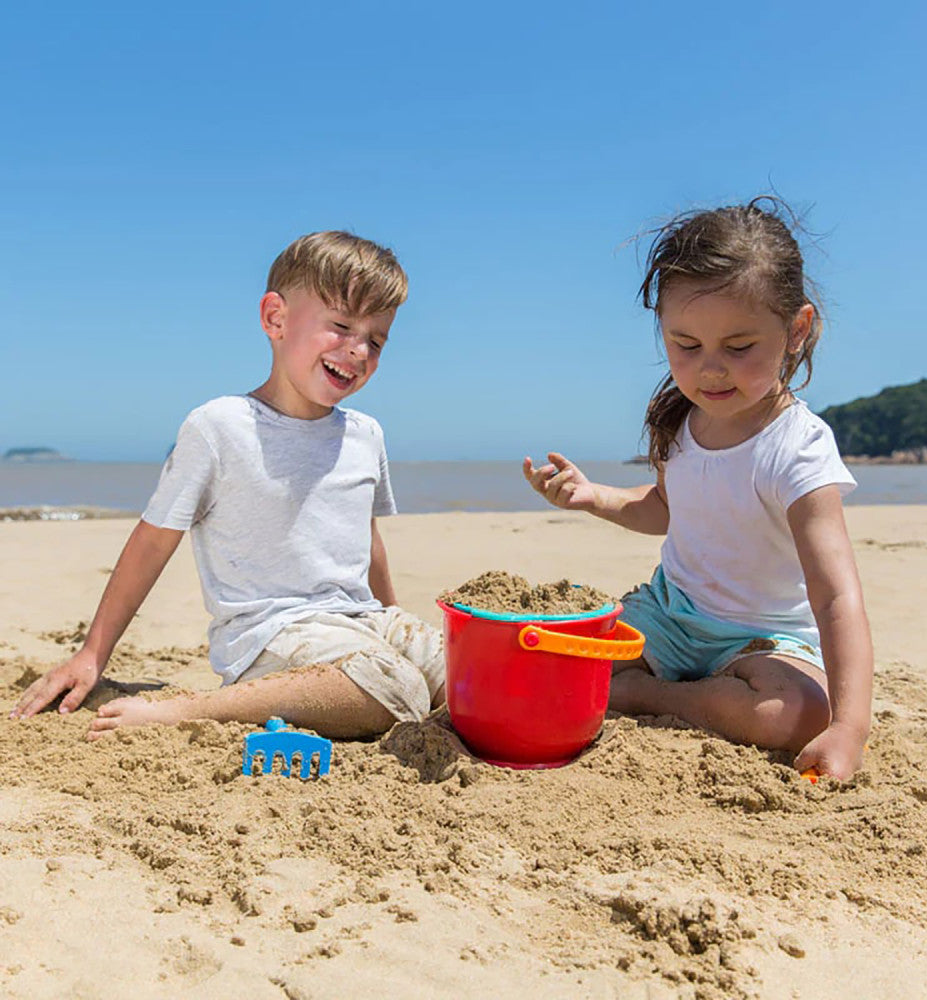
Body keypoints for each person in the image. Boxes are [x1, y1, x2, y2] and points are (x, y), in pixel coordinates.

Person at [10, 231, 444, 740]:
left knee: (469, 671)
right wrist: (91, 654)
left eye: (376, 339)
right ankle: (192, 709)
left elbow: (367, 542)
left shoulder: (366, 435)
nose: (358, 350)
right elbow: (153, 541)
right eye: (341, 326)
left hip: (364, 622)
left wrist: (393, 623)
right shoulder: (219, 427)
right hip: (273, 639)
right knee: (397, 689)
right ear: (275, 319)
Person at [524, 198, 872, 780]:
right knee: (561, 665)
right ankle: (680, 689)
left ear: (796, 330)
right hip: (670, 616)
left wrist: (849, 729)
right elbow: (667, 507)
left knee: (795, 712)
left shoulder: (798, 448)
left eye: (738, 348)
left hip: (763, 640)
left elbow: (836, 597)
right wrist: (594, 496)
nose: (710, 370)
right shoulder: (680, 422)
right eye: (686, 346)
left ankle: (649, 697)